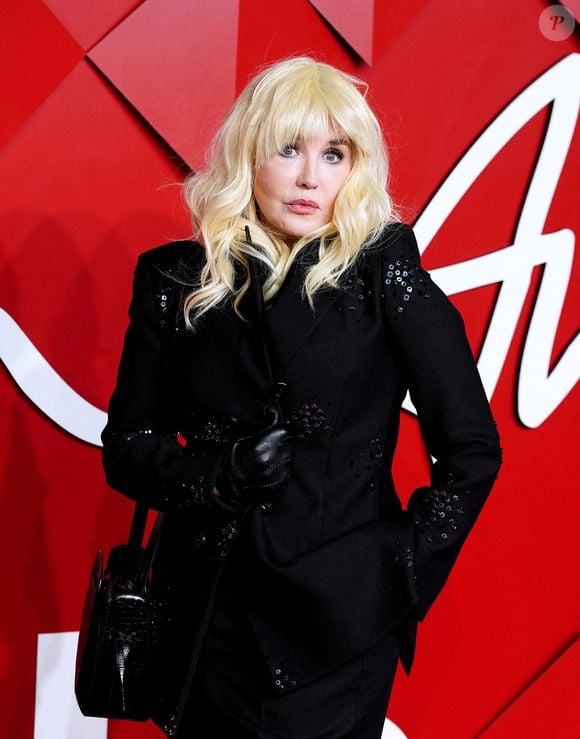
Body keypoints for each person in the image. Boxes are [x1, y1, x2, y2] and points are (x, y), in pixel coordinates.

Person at [101, 56, 502, 738]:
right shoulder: (176, 280)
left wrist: (396, 565)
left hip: (337, 628)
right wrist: (218, 474)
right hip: (209, 622)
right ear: (249, 154)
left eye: (334, 153)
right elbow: (128, 448)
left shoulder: (386, 274)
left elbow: (471, 447)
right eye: (288, 149)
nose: (311, 176)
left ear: (356, 166)